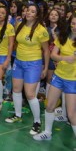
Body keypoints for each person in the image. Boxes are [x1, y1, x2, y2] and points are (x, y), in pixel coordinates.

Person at [5, 4, 50, 136]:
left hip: (33, 64)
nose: (29, 13)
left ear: (36, 15)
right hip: (18, 62)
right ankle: (18, 115)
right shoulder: (19, 24)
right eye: (27, 10)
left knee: (30, 94)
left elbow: (46, 51)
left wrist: (46, 67)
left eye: (32, 11)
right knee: (16, 90)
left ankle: (37, 122)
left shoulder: (41, 30)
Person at [33, 13, 76, 141]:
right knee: (50, 105)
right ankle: (47, 132)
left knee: (71, 114)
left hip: (73, 81)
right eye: (73, 23)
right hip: (59, 76)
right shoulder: (63, 37)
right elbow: (53, 55)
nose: (75, 26)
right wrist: (65, 58)